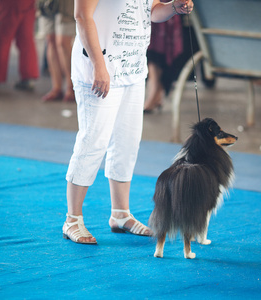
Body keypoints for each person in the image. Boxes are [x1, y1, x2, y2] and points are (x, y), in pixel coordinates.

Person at [62, 0, 194, 245]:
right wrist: (99, 66)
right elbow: (82, 16)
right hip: (98, 68)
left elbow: (152, 11)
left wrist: (174, 7)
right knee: (93, 141)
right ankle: (72, 219)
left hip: (132, 70)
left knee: (127, 141)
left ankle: (120, 214)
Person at [0, 0, 39, 91]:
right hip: (28, 3)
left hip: (9, 4)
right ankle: (28, 77)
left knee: (3, 40)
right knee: (26, 40)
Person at [143, 1, 184, 113]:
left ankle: (155, 94)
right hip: (156, 9)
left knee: (156, 54)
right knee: (152, 53)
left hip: (165, 9)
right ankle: (156, 94)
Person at [41, 0, 76, 102]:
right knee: (50, 40)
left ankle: (71, 87)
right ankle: (56, 87)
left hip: (67, 4)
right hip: (47, 4)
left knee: (63, 42)